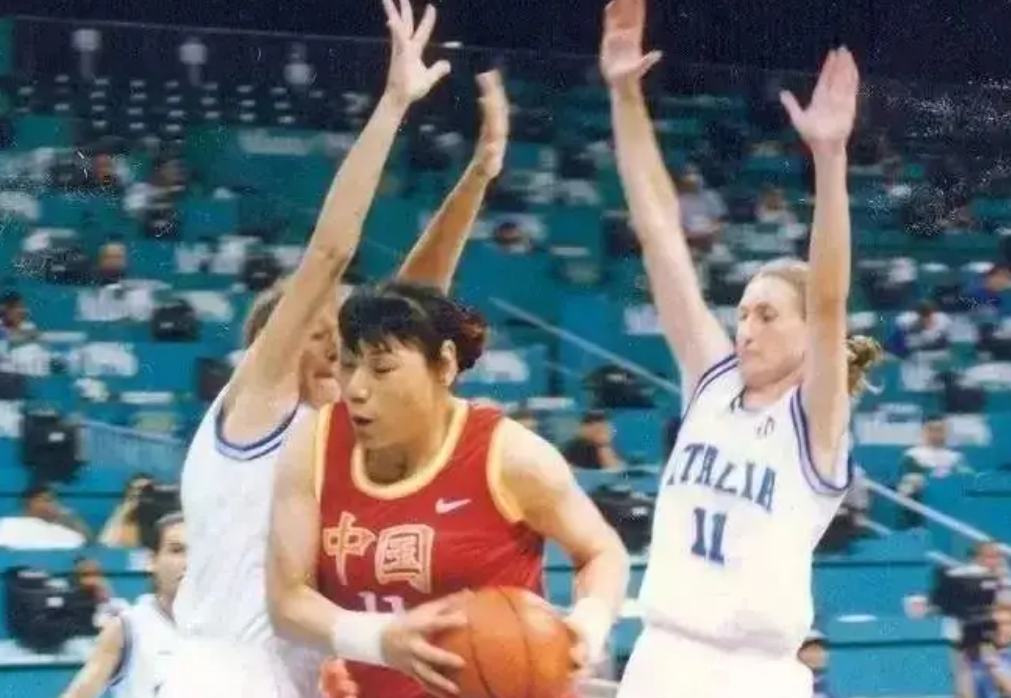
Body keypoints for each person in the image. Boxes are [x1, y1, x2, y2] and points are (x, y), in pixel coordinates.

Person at [159, 2, 509, 697]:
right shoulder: (253, 412)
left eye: (346, 345)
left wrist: (478, 175)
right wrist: (394, 103)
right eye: (320, 336)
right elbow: (329, 252)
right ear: (266, 347)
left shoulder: (334, 433)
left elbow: (413, 308)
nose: (337, 352)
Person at [600, 1, 882, 697]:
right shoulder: (712, 378)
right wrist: (624, 95)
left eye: (766, 315)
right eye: (743, 313)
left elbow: (828, 299)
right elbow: (659, 233)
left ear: (807, 336)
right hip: (661, 656)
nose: (746, 327)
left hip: (751, 674)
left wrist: (829, 158)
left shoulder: (815, 420)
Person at [266, 280, 630, 697]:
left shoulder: (511, 457)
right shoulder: (314, 445)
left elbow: (601, 551)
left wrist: (586, 627)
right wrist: (380, 640)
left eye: (381, 369)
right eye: (348, 365)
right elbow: (287, 599)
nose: (356, 389)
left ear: (444, 364)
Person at [57, 513, 187, 698]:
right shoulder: (128, 627)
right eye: (177, 550)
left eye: (197, 553)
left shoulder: (225, 627)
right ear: (152, 560)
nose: (188, 562)